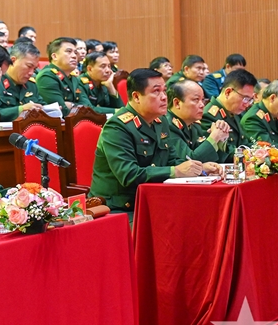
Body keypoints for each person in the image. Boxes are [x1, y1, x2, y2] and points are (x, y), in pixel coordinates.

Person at [89, 69, 218, 224]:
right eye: (156, 91)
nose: (164, 97)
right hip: (120, 208)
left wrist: (199, 168)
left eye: (164, 90)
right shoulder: (117, 127)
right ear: (136, 96)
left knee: (203, 216)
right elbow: (129, 174)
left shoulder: (160, 121)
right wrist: (175, 171)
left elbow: (172, 160)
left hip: (153, 200)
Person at [200, 68, 258, 160]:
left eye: (250, 100)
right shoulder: (208, 116)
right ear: (228, 92)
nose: (247, 104)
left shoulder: (237, 112)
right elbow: (220, 152)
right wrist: (250, 155)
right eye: (245, 98)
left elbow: (245, 143)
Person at [167, 80, 229, 161]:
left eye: (202, 100)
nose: (202, 105)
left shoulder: (194, 125)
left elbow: (215, 160)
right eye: (196, 99)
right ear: (177, 103)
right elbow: (190, 161)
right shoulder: (168, 125)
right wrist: (214, 137)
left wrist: (221, 139)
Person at [36, 37, 92, 116]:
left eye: (75, 52)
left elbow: (88, 107)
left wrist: (72, 105)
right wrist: (77, 106)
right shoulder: (47, 76)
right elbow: (61, 111)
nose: (74, 56)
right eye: (69, 51)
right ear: (54, 56)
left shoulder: (73, 78)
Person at [0, 41, 44, 118]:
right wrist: (21, 109)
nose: (31, 73)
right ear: (13, 61)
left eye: (34, 68)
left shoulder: (31, 84)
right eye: (29, 66)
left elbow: (42, 105)